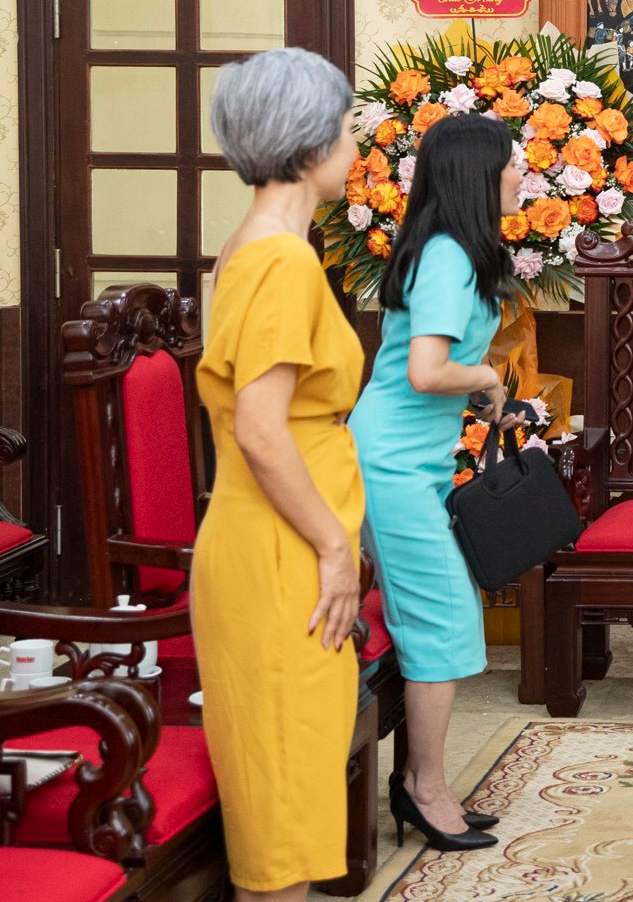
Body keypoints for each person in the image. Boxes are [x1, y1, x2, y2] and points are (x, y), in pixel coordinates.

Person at [195, 48, 366, 900]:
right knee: (282, 825)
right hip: (280, 550)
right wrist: (336, 550)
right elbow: (263, 432)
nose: (355, 144)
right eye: (345, 129)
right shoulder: (280, 260)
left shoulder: (264, 247)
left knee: (292, 792)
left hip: (280, 537)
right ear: (308, 146)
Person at [349, 113, 525, 854]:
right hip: (390, 466)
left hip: (407, 461)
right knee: (445, 623)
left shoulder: (450, 251)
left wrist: (480, 387)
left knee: (444, 622)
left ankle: (422, 780)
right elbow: (426, 371)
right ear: (477, 178)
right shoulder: (450, 255)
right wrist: (485, 375)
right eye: (513, 166)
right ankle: (424, 789)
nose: (523, 177)